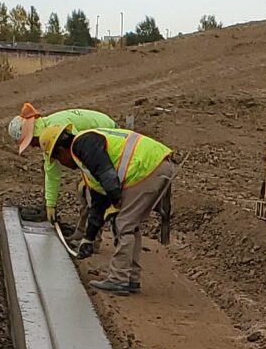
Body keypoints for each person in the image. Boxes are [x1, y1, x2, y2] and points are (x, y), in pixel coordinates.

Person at [29, 114, 175, 296]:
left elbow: (107, 175)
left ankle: (119, 279)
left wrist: (115, 202)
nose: (62, 164)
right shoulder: (85, 161)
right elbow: (97, 205)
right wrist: (88, 239)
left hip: (149, 166)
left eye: (58, 159)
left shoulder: (83, 144)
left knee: (124, 224)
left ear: (61, 150)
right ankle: (130, 278)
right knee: (128, 225)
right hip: (151, 165)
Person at [9, 102, 117, 238]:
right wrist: (51, 204)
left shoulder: (58, 129)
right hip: (94, 149)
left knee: (93, 192)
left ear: (33, 135)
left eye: (30, 142)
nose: (32, 147)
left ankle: (93, 238)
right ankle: (83, 233)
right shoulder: (49, 135)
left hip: (108, 138)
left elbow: (85, 151)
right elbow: (52, 174)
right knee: (85, 191)